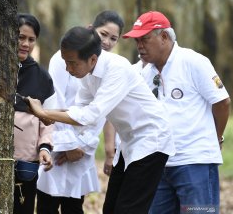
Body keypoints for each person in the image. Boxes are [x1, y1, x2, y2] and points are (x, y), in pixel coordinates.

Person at [26, 26, 176, 214]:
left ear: (93, 59)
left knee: (128, 209)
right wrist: (49, 117)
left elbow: (91, 115)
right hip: (129, 144)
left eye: (72, 63)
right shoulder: (88, 74)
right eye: (65, 62)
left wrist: (45, 114)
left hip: (152, 142)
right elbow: (79, 110)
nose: (68, 68)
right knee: (111, 208)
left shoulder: (117, 69)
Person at [122, 11, 231, 214]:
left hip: (194, 162)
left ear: (164, 37)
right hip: (159, 163)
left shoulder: (194, 62)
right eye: (137, 41)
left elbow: (222, 103)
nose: (139, 46)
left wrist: (214, 138)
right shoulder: (145, 73)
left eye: (144, 39)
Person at [36, 10, 124, 214]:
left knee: (74, 205)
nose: (107, 42)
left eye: (113, 38)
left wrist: (82, 145)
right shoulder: (64, 58)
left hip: (83, 145)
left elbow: (98, 113)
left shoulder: (107, 68)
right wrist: (67, 144)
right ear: (91, 30)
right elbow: (54, 99)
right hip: (58, 138)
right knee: (47, 203)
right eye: (103, 34)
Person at [13, 13, 55, 214]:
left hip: (26, 163)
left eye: (31, 39)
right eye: (20, 37)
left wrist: (45, 148)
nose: (25, 44)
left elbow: (49, 119)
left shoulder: (43, 77)